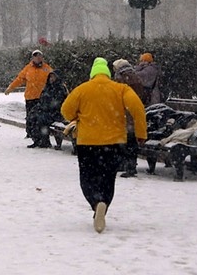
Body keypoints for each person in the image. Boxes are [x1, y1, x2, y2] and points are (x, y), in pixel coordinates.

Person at [61, 57, 148, 233]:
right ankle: (104, 202)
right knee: (108, 177)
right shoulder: (121, 89)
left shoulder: (82, 89)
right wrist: (140, 133)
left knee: (87, 177)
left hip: (87, 142)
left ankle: (95, 203)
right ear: (108, 73)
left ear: (92, 73)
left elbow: (66, 110)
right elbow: (138, 109)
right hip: (114, 142)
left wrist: (77, 116)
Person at [4, 50, 54, 147]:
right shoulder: (28, 68)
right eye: (36, 56)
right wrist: (11, 88)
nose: (38, 58)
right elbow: (19, 79)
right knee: (31, 119)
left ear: (42, 58)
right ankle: (33, 136)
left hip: (42, 98)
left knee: (40, 119)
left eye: (40, 56)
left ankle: (42, 140)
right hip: (30, 98)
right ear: (32, 58)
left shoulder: (47, 69)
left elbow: (55, 79)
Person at [112, 58, 145, 177]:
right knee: (130, 140)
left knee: (126, 140)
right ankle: (130, 165)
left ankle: (128, 166)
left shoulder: (123, 78)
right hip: (133, 111)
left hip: (125, 112)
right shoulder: (135, 76)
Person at [33, 70, 68, 149]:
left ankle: (44, 141)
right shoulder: (47, 87)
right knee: (32, 116)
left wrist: (45, 108)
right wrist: (39, 107)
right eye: (51, 77)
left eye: (53, 77)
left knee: (41, 118)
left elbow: (57, 103)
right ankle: (37, 140)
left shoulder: (60, 88)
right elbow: (42, 99)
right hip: (46, 110)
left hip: (56, 113)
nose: (51, 79)